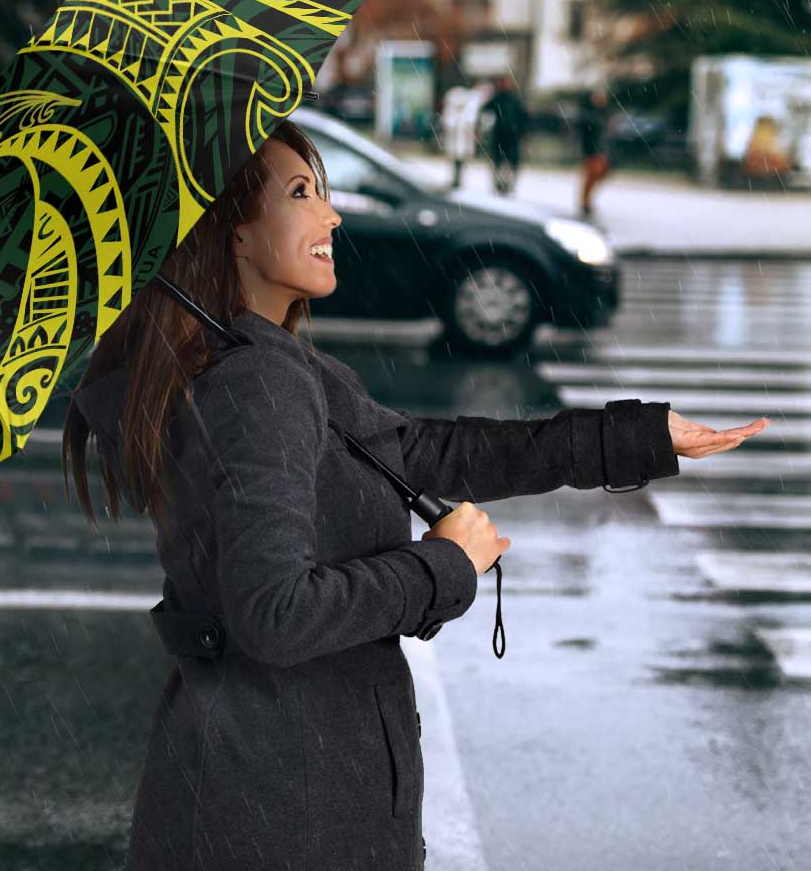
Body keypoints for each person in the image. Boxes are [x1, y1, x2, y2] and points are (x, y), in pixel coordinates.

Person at [64, 118, 766, 871]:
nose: (331, 215)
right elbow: (274, 614)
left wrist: (637, 437)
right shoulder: (257, 383)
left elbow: (429, 452)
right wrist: (441, 566)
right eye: (301, 193)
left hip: (269, 790)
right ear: (233, 233)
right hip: (284, 810)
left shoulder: (267, 365)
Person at [479, 73, 529, 196]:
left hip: (510, 135)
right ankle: (500, 184)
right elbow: (485, 111)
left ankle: (506, 184)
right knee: (500, 161)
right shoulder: (499, 98)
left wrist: (522, 131)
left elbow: (523, 117)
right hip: (502, 135)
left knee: (507, 162)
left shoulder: (512, 99)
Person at [577, 86, 613, 218]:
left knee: (599, 175)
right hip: (592, 150)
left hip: (601, 150)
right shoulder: (589, 114)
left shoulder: (604, 113)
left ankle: (587, 201)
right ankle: (585, 202)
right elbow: (586, 133)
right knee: (591, 176)